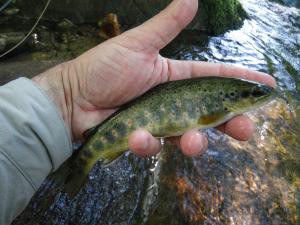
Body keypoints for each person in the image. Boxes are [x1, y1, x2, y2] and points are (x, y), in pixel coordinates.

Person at [0, 0, 276, 224]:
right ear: (233, 98)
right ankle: (79, 164)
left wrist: (66, 96)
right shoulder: (220, 109)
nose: (258, 98)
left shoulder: (224, 102)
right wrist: (67, 95)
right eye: (254, 96)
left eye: (256, 95)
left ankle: (80, 161)